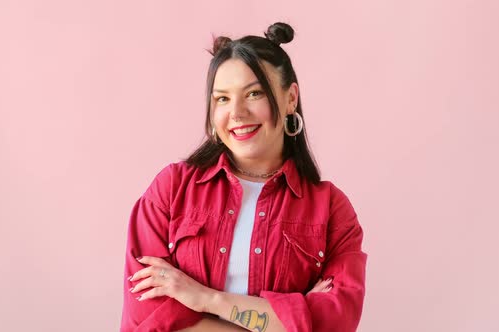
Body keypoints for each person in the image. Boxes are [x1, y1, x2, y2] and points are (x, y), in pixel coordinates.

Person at [120, 22, 367, 332]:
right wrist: (288, 321)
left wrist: (206, 299)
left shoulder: (330, 208)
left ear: (290, 98)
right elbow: (148, 318)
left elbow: (335, 321)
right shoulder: (172, 190)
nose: (236, 113)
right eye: (222, 98)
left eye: (254, 93)